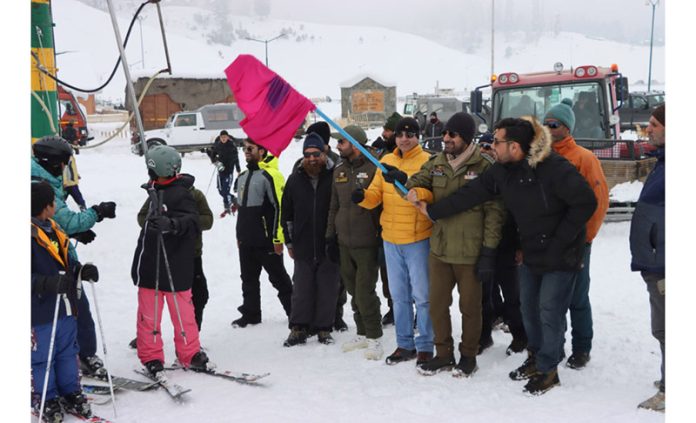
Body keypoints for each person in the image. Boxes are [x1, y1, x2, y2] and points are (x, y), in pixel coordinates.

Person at [413, 116, 597, 395]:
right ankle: (535, 358)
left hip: (562, 253)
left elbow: (586, 202)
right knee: (529, 310)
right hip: (531, 252)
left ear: (514, 146)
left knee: (549, 311)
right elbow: (472, 193)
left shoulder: (554, 167)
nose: (492, 146)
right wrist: (434, 212)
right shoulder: (502, 171)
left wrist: (559, 242)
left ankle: (548, 370)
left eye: (497, 142)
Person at [403, 112, 505, 377]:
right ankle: (444, 354)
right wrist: (409, 187)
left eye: (452, 134)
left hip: (470, 251)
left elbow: (495, 213)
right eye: (446, 132)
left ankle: (468, 355)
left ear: (467, 138)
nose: (446, 138)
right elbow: (416, 181)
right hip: (440, 249)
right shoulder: (437, 162)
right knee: (437, 305)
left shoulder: (484, 167)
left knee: (470, 308)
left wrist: (488, 251)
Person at [31, 136, 116, 379]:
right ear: (54, 163)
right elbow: (64, 220)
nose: (65, 169)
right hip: (48, 260)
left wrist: (77, 231)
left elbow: (55, 223)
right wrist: (97, 213)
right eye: (63, 164)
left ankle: (82, 354)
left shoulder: (43, 178)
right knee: (67, 310)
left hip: (58, 251)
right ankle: (61, 361)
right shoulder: (39, 185)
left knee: (75, 307)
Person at [354, 117, 434, 366]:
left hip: (418, 238)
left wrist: (408, 184)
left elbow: (432, 194)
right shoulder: (385, 161)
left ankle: (425, 345)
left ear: (418, 136)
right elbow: (376, 195)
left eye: (410, 134)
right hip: (390, 238)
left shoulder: (428, 161)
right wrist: (362, 197)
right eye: (400, 134)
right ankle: (404, 344)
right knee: (399, 296)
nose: (405, 138)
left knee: (422, 296)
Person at [130, 145, 212, 377]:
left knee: (184, 313)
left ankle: (189, 352)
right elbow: (142, 219)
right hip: (150, 266)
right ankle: (152, 355)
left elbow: (194, 221)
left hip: (175, 265)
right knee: (149, 317)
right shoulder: (153, 192)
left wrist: (172, 224)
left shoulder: (183, 193)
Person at [544, 99, 609, 369]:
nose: (548, 128)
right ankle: (554, 346)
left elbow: (599, 201)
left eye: (554, 124)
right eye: (545, 123)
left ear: (566, 128)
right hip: (548, 242)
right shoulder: (539, 157)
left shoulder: (584, 158)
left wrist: (586, 238)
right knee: (551, 298)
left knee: (577, 297)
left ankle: (582, 347)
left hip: (576, 242)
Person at [31, 181, 97, 421]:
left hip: (65, 306)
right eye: (53, 203)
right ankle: (44, 396)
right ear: (46, 207)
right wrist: (45, 283)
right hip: (39, 311)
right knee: (41, 358)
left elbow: (64, 262)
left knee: (68, 351)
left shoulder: (53, 229)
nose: (56, 206)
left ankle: (70, 390)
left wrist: (80, 271)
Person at [326, 125, 384, 359]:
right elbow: (334, 206)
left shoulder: (374, 168)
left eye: (341, 142)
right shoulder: (338, 169)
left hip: (367, 241)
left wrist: (381, 239)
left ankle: (375, 336)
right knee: (352, 290)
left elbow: (382, 206)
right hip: (344, 242)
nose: (337, 146)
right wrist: (330, 235)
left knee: (365, 291)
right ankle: (362, 332)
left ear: (355, 144)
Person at [280, 133, 341, 346]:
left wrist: (336, 237)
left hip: (328, 242)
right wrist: (289, 241)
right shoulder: (294, 179)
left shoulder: (335, 176)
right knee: (302, 288)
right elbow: (286, 213)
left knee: (328, 287)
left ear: (324, 153)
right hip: (303, 243)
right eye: (307, 154)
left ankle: (324, 327)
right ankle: (298, 327)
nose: (312, 159)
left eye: (316, 154)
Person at [232, 138, 293, 328]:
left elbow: (279, 208)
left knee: (279, 278)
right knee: (248, 279)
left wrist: (277, 238)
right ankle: (251, 314)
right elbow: (242, 210)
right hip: (246, 239)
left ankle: (295, 314)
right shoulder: (241, 176)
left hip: (266, 240)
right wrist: (239, 236)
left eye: (250, 148)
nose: (246, 151)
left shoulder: (271, 175)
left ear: (262, 150)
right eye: (244, 149)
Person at [291, 121, 346, 331]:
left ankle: (335, 316)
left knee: (334, 281)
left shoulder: (335, 164)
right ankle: (308, 318)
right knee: (305, 281)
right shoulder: (300, 164)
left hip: (330, 230)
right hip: (307, 233)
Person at [630, 104, 665, 412]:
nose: (648, 128)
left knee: (668, 327)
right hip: (655, 261)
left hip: (665, 264)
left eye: (654, 124)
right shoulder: (663, 162)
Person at [210, 130, 241, 217]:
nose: (223, 139)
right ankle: (234, 200)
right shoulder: (218, 145)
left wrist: (238, 169)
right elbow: (212, 155)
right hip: (220, 172)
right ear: (220, 138)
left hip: (229, 171)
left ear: (228, 137)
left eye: (225, 137)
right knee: (221, 191)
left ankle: (227, 209)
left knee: (226, 191)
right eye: (222, 137)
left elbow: (236, 159)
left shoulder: (232, 146)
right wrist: (216, 162)